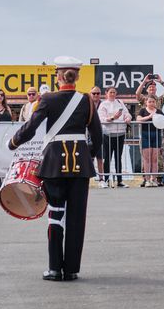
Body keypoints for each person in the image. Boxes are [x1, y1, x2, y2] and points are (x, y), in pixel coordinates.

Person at [8, 57, 102, 281]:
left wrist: (13, 142)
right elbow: (97, 136)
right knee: (77, 218)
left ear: (58, 76)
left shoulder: (47, 99)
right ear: (77, 76)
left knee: (56, 215)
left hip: (53, 165)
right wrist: (88, 156)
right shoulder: (87, 101)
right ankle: (71, 270)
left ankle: (54, 269)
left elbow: (31, 127)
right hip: (80, 166)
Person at [98, 87, 131, 188]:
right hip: (108, 134)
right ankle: (107, 180)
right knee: (107, 158)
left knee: (118, 157)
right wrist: (113, 118)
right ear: (106, 93)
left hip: (120, 133)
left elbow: (127, 113)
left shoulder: (120, 102)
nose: (112, 94)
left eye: (114, 92)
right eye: (110, 92)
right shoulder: (103, 104)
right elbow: (102, 119)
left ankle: (120, 181)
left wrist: (128, 118)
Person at [136, 95, 164, 187]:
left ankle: (154, 179)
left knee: (155, 158)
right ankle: (147, 180)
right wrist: (148, 117)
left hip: (156, 135)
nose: (151, 103)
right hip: (145, 134)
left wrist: (157, 118)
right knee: (147, 158)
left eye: (153, 101)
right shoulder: (143, 110)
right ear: (146, 102)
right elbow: (138, 119)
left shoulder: (159, 111)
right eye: (150, 101)